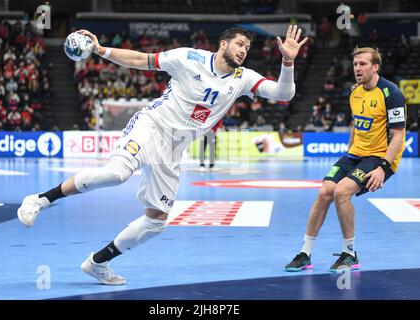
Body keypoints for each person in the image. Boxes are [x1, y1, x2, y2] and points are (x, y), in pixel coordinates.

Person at [17, 25, 307, 285]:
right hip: (151, 126)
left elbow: (284, 93)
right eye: (239, 44)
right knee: (116, 174)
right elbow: (140, 60)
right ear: (223, 44)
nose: (244, 50)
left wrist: (288, 61)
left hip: (174, 147)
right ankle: (40, 199)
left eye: (247, 47)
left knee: (156, 220)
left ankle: (98, 262)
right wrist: (102, 50)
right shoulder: (188, 58)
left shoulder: (244, 79)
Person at [285, 47, 406, 273]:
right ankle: (305, 253)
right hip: (354, 155)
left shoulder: (392, 93)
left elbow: (398, 135)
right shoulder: (354, 91)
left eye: (362, 64)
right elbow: (355, 123)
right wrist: (349, 150)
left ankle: (350, 254)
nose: (357, 68)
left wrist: (383, 168)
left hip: (379, 157)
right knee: (324, 193)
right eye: (355, 64)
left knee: (341, 192)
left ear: (375, 67)